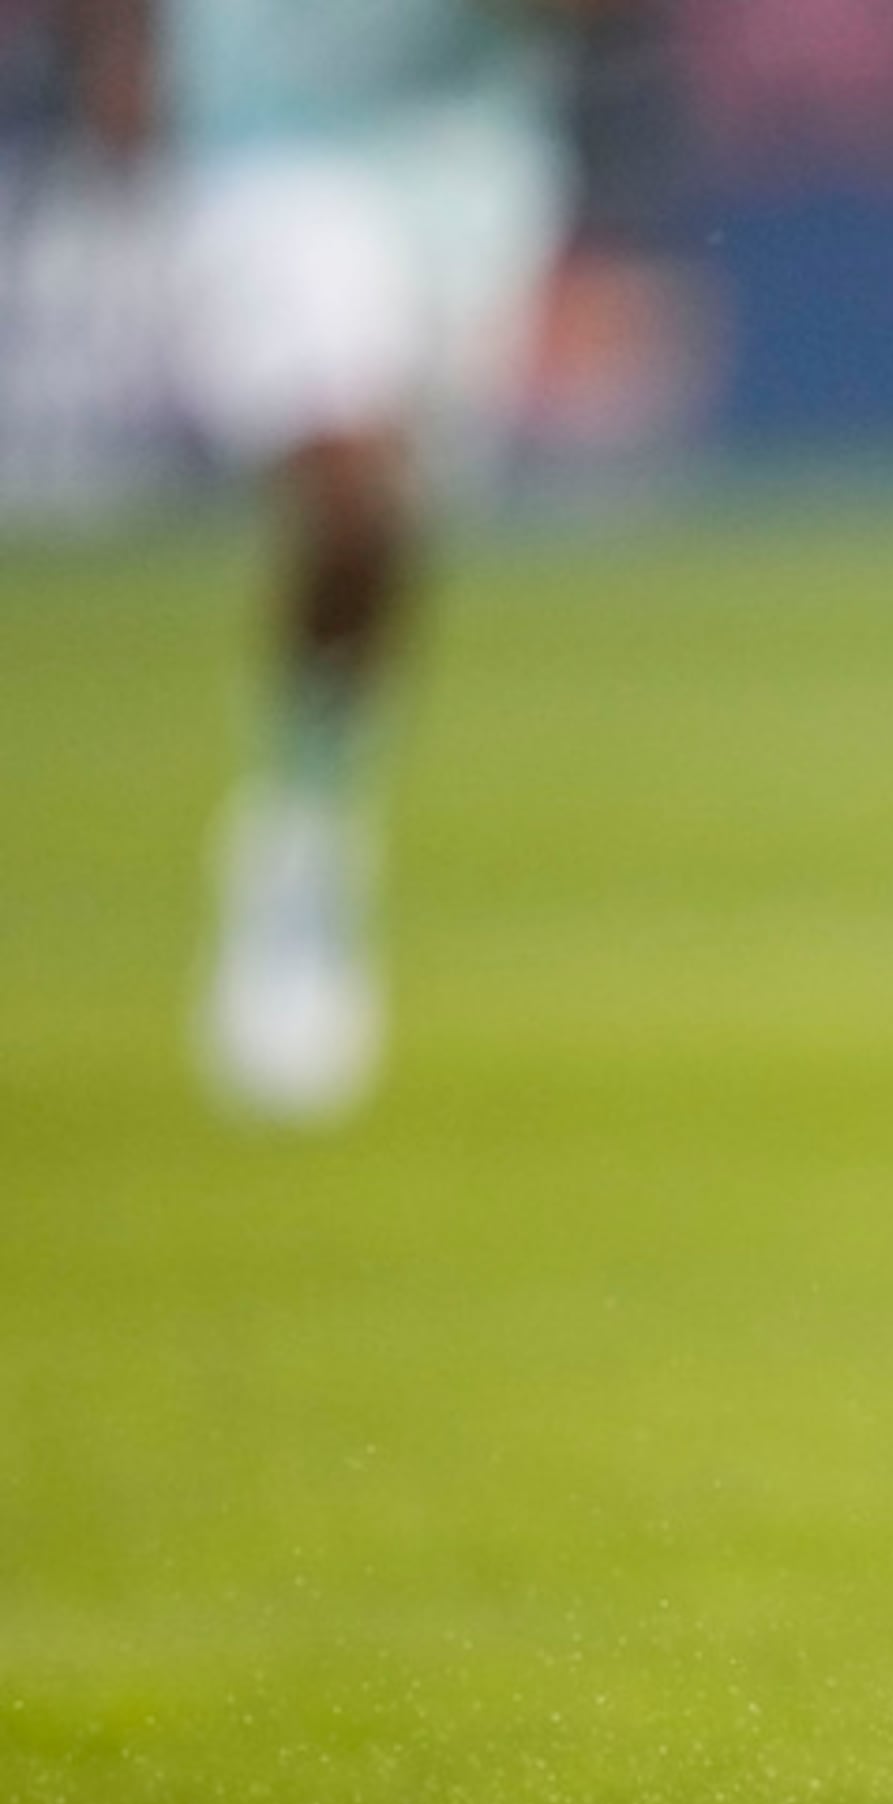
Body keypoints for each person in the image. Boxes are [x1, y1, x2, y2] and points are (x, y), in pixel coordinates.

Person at [73, 0, 598, 1125]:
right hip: (265, 148)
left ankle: (312, 789)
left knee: (392, 527)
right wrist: (116, 48)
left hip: (464, 167)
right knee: (350, 486)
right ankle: (297, 874)